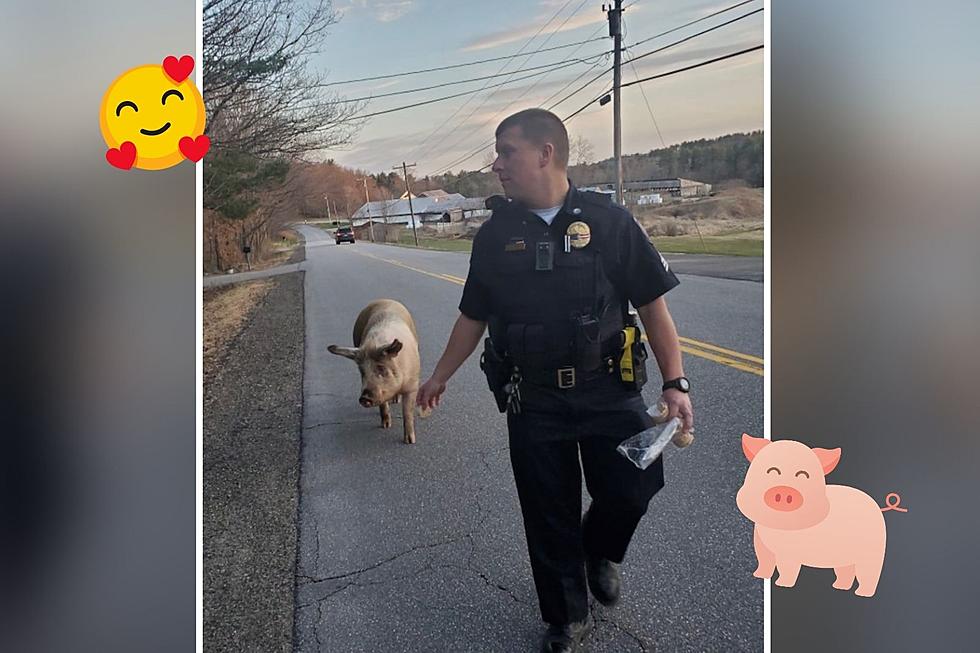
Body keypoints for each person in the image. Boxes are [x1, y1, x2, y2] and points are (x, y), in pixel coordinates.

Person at [417, 108, 693, 653]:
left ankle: (600, 548)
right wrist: (439, 376)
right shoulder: (494, 236)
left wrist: (675, 383)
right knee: (547, 511)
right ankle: (567, 616)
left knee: (634, 487)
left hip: (608, 388)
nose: (496, 165)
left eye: (506, 152)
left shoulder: (610, 222)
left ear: (545, 153)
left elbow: (653, 307)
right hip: (533, 396)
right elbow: (472, 316)